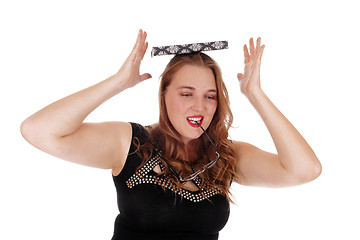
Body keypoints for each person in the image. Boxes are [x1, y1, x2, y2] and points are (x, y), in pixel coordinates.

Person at [20, 29, 322, 240]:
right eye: (186, 93)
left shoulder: (226, 156)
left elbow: (305, 170)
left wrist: (255, 94)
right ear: (163, 95)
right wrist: (118, 82)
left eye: (210, 96)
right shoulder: (130, 143)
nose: (199, 106)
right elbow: (38, 131)